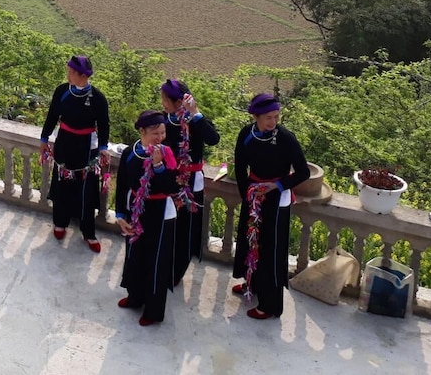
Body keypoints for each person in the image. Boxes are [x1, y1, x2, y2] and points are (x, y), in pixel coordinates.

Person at [231, 93, 310, 319]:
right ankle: (253, 283)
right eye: (268, 117)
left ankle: (270, 305)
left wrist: (276, 185)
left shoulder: (286, 138)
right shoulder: (246, 134)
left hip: (276, 198)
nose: (273, 122)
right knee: (250, 241)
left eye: (276, 116)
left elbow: (303, 172)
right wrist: (246, 196)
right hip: (254, 195)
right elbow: (240, 168)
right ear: (255, 116)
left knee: (270, 250)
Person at [114, 110, 180, 326]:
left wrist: (159, 165)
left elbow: (172, 187)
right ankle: (135, 296)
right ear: (141, 131)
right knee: (134, 254)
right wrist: (120, 215)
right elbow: (122, 184)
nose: (160, 137)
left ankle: (153, 311)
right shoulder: (130, 153)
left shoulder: (167, 154)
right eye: (155, 133)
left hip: (161, 212)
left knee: (156, 261)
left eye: (163, 132)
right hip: (136, 209)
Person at [39, 54, 110, 253]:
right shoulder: (62, 91)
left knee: (86, 189)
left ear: (82, 75)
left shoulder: (98, 98)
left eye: (71, 72)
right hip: (64, 142)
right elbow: (52, 116)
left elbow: (104, 125)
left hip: (87, 147)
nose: (68, 74)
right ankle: (60, 222)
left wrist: (103, 147)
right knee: (62, 183)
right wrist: (44, 139)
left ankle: (88, 232)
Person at [160, 78, 220, 284]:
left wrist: (195, 112)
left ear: (178, 102)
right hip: (168, 178)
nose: (162, 103)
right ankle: (163, 264)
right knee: (167, 223)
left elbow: (213, 139)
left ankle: (177, 272)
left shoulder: (194, 122)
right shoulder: (163, 119)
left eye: (165, 99)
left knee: (185, 229)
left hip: (190, 182)